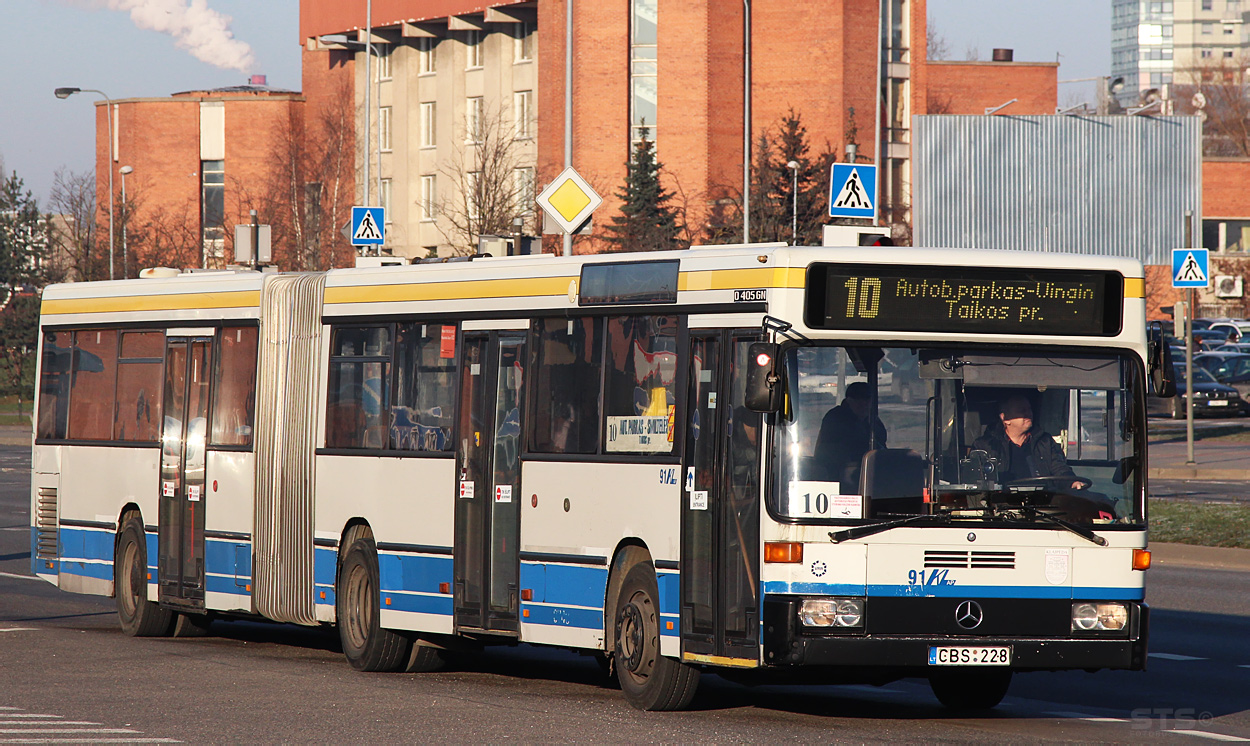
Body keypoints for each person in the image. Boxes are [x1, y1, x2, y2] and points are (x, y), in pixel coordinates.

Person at [972, 394, 1085, 490]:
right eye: (1022, 411)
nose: (1028, 414)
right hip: (1001, 506)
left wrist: (1072, 482)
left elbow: (1060, 469)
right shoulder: (985, 446)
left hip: (1043, 504)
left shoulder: (1045, 442)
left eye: (1029, 409)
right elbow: (976, 480)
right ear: (1005, 419)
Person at [813, 382, 887, 487]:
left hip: (871, 473)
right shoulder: (836, 418)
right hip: (838, 477)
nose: (864, 405)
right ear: (849, 401)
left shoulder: (873, 420)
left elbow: (881, 442)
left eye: (867, 400)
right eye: (858, 401)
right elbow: (832, 451)